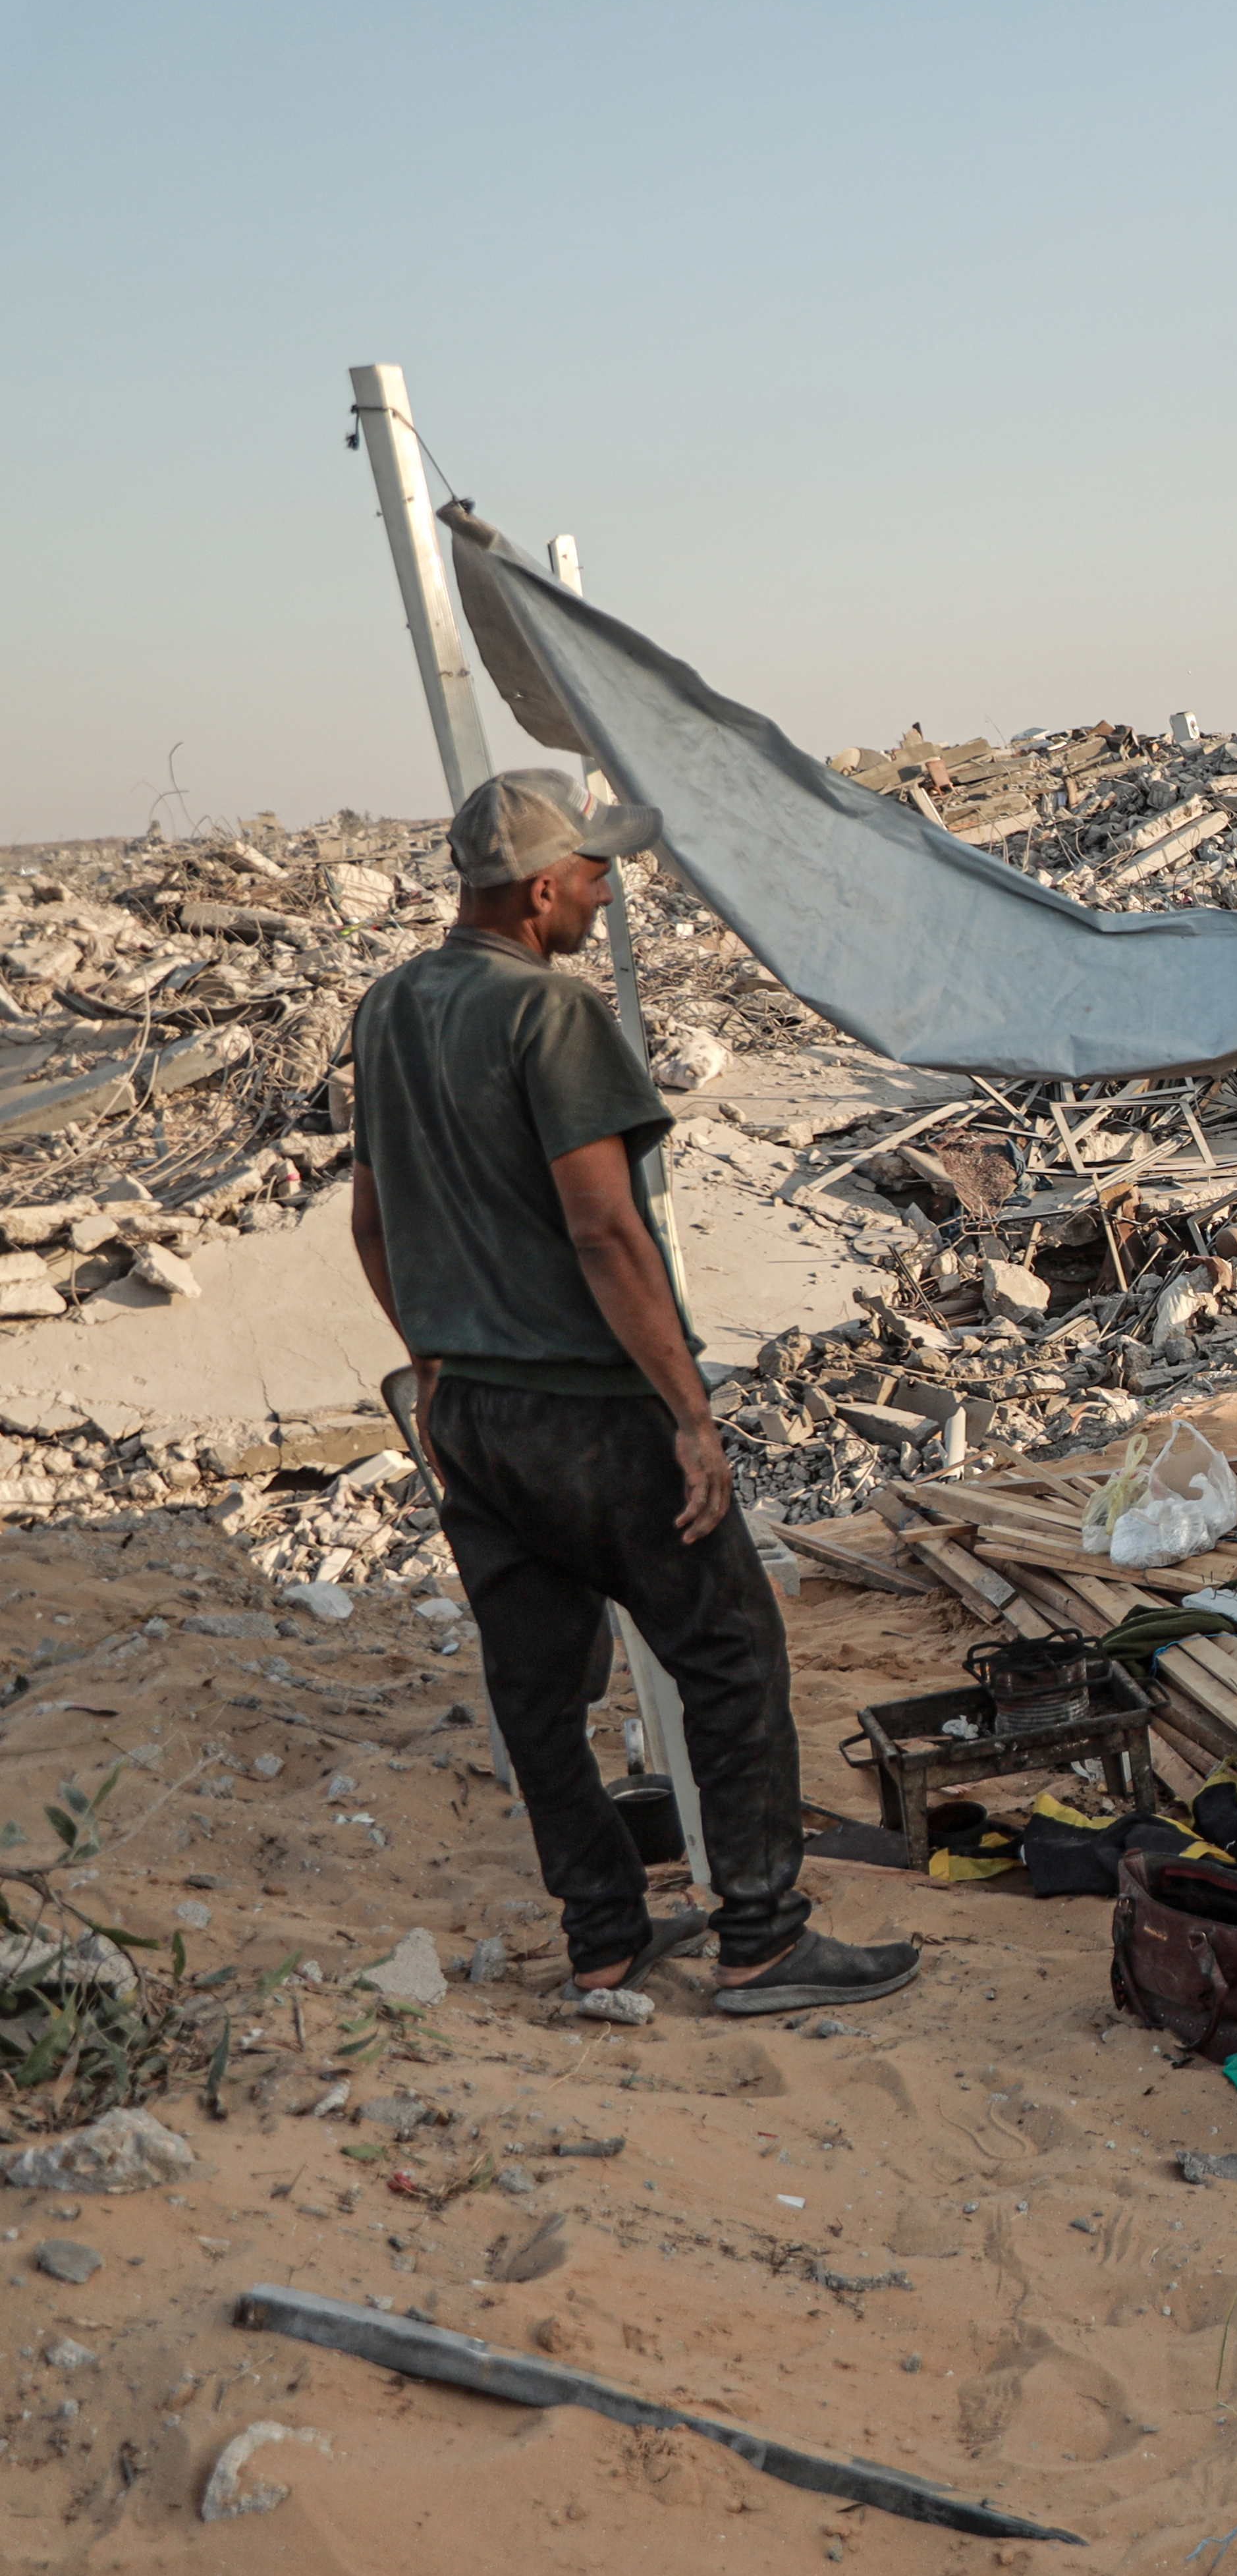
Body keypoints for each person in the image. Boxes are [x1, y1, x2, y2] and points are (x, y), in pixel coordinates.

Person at [348, 770, 916, 2017]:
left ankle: (604, 1935)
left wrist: (437, 1366)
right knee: (727, 1650)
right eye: (595, 875)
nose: (606, 897)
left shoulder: (388, 1009)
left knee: (538, 1688)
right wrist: (691, 1414)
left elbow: (374, 1224)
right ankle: (762, 1940)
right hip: (590, 1414)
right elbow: (605, 1234)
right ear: (542, 888)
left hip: (470, 1420)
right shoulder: (549, 1013)